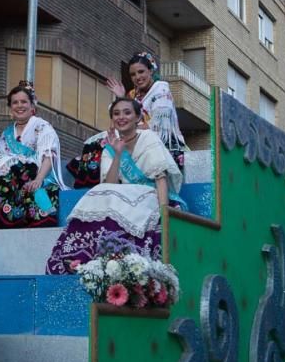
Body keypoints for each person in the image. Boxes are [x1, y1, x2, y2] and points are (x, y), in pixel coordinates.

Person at [46, 97, 183, 275]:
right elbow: (108, 185)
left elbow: (160, 177)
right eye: (116, 114)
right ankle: (79, 256)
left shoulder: (148, 138)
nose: (121, 117)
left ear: (137, 117)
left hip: (152, 195)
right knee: (98, 191)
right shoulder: (110, 146)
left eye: (127, 112)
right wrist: (118, 154)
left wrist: (164, 211)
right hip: (127, 198)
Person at [67, 52, 186, 187]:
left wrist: (129, 131)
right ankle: (90, 186)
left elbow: (158, 127)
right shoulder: (132, 94)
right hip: (134, 137)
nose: (137, 77)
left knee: (105, 142)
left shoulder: (161, 91)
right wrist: (120, 97)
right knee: (93, 144)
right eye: (133, 74)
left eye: (141, 72)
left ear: (151, 71)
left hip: (158, 141)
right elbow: (122, 120)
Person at [0, 82, 65, 229]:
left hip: (35, 175)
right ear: (10, 108)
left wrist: (38, 179)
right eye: (15, 102)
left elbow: (49, 154)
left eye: (24, 102)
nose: (19, 105)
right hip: (13, 178)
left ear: (32, 106)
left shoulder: (41, 126)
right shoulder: (7, 133)